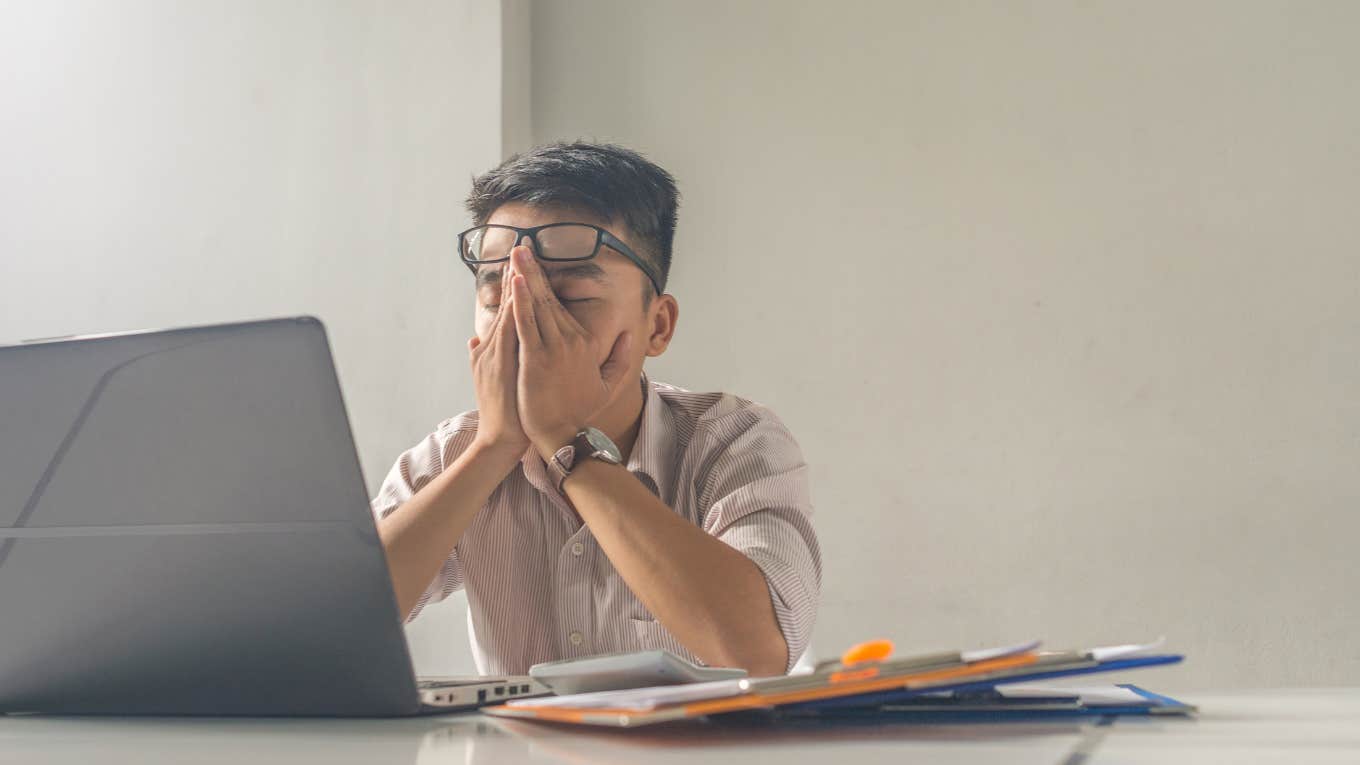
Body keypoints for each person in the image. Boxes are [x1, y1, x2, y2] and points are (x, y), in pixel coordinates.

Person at [370, 141, 820, 677]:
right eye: (497, 302)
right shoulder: (455, 453)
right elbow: (336, 621)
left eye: (572, 300)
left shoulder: (733, 441)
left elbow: (758, 652)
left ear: (658, 325)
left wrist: (567, 440)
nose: (525, 326)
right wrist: (493, 448)